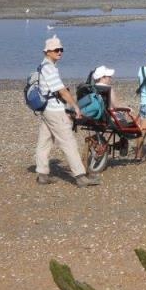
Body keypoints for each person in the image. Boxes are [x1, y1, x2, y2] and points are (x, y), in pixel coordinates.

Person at [35, 36, 100, 187]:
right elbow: (62, 91)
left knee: (44, 141)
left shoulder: (43, 66)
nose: (60, 52)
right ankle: (80, 177)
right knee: (69, 143)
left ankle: (42, 174)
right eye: (56, 50)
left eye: (61, 49)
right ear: (48, 52)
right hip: (54, 111)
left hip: (46, 110)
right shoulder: (49, 68)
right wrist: (75, 106)